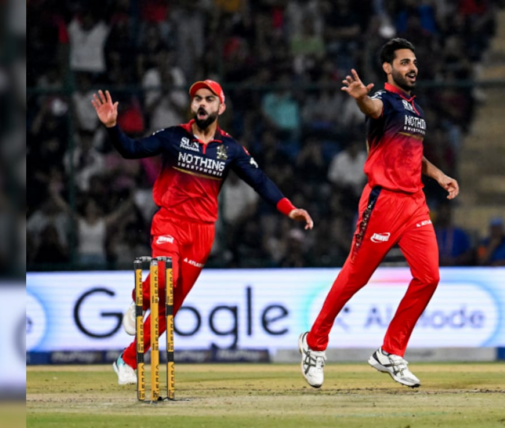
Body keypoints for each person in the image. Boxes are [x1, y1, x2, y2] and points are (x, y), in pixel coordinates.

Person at [91, 81, 314, 385]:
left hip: (203, 233)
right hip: (170, 221)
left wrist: (289, 209)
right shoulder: (173, 136)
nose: (202, 104)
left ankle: (127, 361)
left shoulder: (230, 148)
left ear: (221, 107)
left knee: (169, 308)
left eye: (209, 99)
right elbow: (131, 150)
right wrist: (112, 127)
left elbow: (259, 181)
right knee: (165, 276)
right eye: (197, 98)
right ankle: (138, 299)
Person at [298, 38, 459, 389]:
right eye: (404, 62)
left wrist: (439, 175)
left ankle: (390, 352)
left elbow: (414, 154)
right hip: (383, 202)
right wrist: (360, 98)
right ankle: (314, 343)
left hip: (415, 203)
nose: (412, 67)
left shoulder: (415, 110)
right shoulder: (384, 100)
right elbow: (371, 108)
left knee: (429, 277)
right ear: (388, 68)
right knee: (356, 275)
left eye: (413, 62)